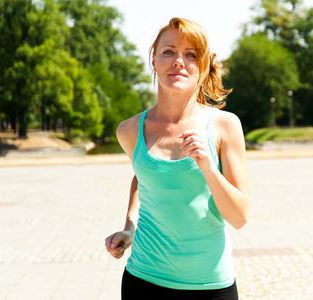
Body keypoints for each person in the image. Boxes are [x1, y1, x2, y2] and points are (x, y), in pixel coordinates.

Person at [105, 17, 249, 300]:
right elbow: (142, 177)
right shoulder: (130, 130)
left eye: (190, 54)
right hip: (143, 281)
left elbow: (240, 217)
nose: (178, 61)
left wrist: (209, 168)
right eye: (168, 51)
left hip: (211, 287)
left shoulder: (224, 126)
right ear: (154, 60)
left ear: (202, 66)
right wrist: (129, 227)